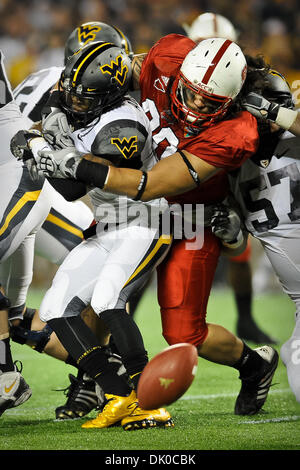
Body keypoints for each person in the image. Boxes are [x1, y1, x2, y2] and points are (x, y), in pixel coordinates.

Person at [34, 34, 279, 416]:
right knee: (98, 295)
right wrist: (60, 104)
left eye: (210, 101)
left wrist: (76, 164)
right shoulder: (166, 57)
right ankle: (95, 382)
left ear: (230, 102)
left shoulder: (235, 131)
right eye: (192, 91)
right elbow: (103, 74)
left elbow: (152, 185)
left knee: (183, 333)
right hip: (128, 211)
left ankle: (254, 365)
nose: (196, 103)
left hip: (190, 218)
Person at [13, 40, 174, 430]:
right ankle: (118, 394)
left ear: (110, 95)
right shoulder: (71, 97)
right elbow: (42, 135)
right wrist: (33, 140)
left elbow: (75, 186)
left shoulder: (123, 127)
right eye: (71, 93)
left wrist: (45, 151)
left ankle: (148, 401)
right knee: (54, 309)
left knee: (106, 299)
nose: (75, 103)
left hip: (145, 221)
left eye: (85, 99)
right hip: (108, 226)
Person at [6, 21, 135, 421]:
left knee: (99, 273)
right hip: (32, 178)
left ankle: (93, 377)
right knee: (17, 316)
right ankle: (96, 372)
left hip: (36, 183)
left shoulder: (51, 78)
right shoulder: (79, 86)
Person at [183, 11, 276, 344]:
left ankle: (247, 317)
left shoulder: (243, 79)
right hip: (183, 152)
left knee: (239, 242)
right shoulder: (176, 73)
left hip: (226, 158)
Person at [219, 70, 300, 403]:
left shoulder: (294, 143)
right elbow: (237, 246)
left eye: (272, 111)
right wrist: (231, 234)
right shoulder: (232, 167)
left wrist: (271, 111)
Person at [0, 49, 59, 416]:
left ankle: (4, 376)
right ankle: (106, 374)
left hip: (18, 173)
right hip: (16, 177)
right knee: (15, 319)